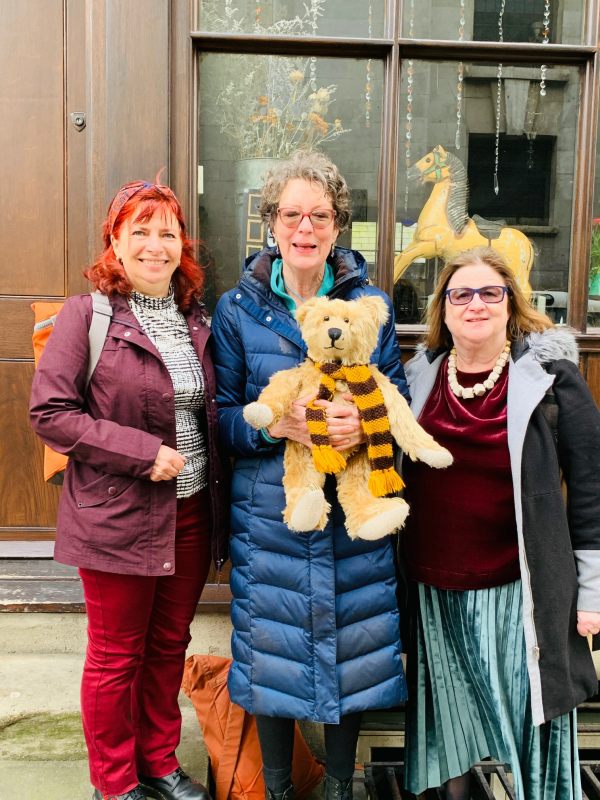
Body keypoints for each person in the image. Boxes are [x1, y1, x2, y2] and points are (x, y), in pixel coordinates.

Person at [211, 150, 408, 800]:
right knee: (272, 656)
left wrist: (366, 427)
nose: (305, 226)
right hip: (272, 511)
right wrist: (273, 425)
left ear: (336, 225)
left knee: (353, 651)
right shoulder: (239, 311)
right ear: (271, 222)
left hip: (353, 513)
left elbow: (396, 400)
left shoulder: (370, 305)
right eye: (292, 213)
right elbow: (223, 419)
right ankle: (276, 788)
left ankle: (340, 787)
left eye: (319, 215)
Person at [30, 180, 229, 800]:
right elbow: (52, 413)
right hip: (116, 516)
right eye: (139, 231)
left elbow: (205, 412)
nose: (154, 245)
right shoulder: (85, 316)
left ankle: (159, 763)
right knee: (116, 657)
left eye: (167, 232)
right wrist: (142, 454)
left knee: (169, 645)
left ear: (182, 247)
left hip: (191, 512)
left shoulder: (197, 319)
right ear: (114, 241)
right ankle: (115, 783)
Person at [400, 245, 600, 799]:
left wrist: (592, 592)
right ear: (443, 307)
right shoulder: (418, 379)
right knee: (448, 727)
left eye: (491, 292)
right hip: (433, 589)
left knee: (533, 723)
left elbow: (591, 488)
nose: (476, 304)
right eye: (461, 293)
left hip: (520, 589)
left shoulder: (550, 381)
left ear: (511, 303)